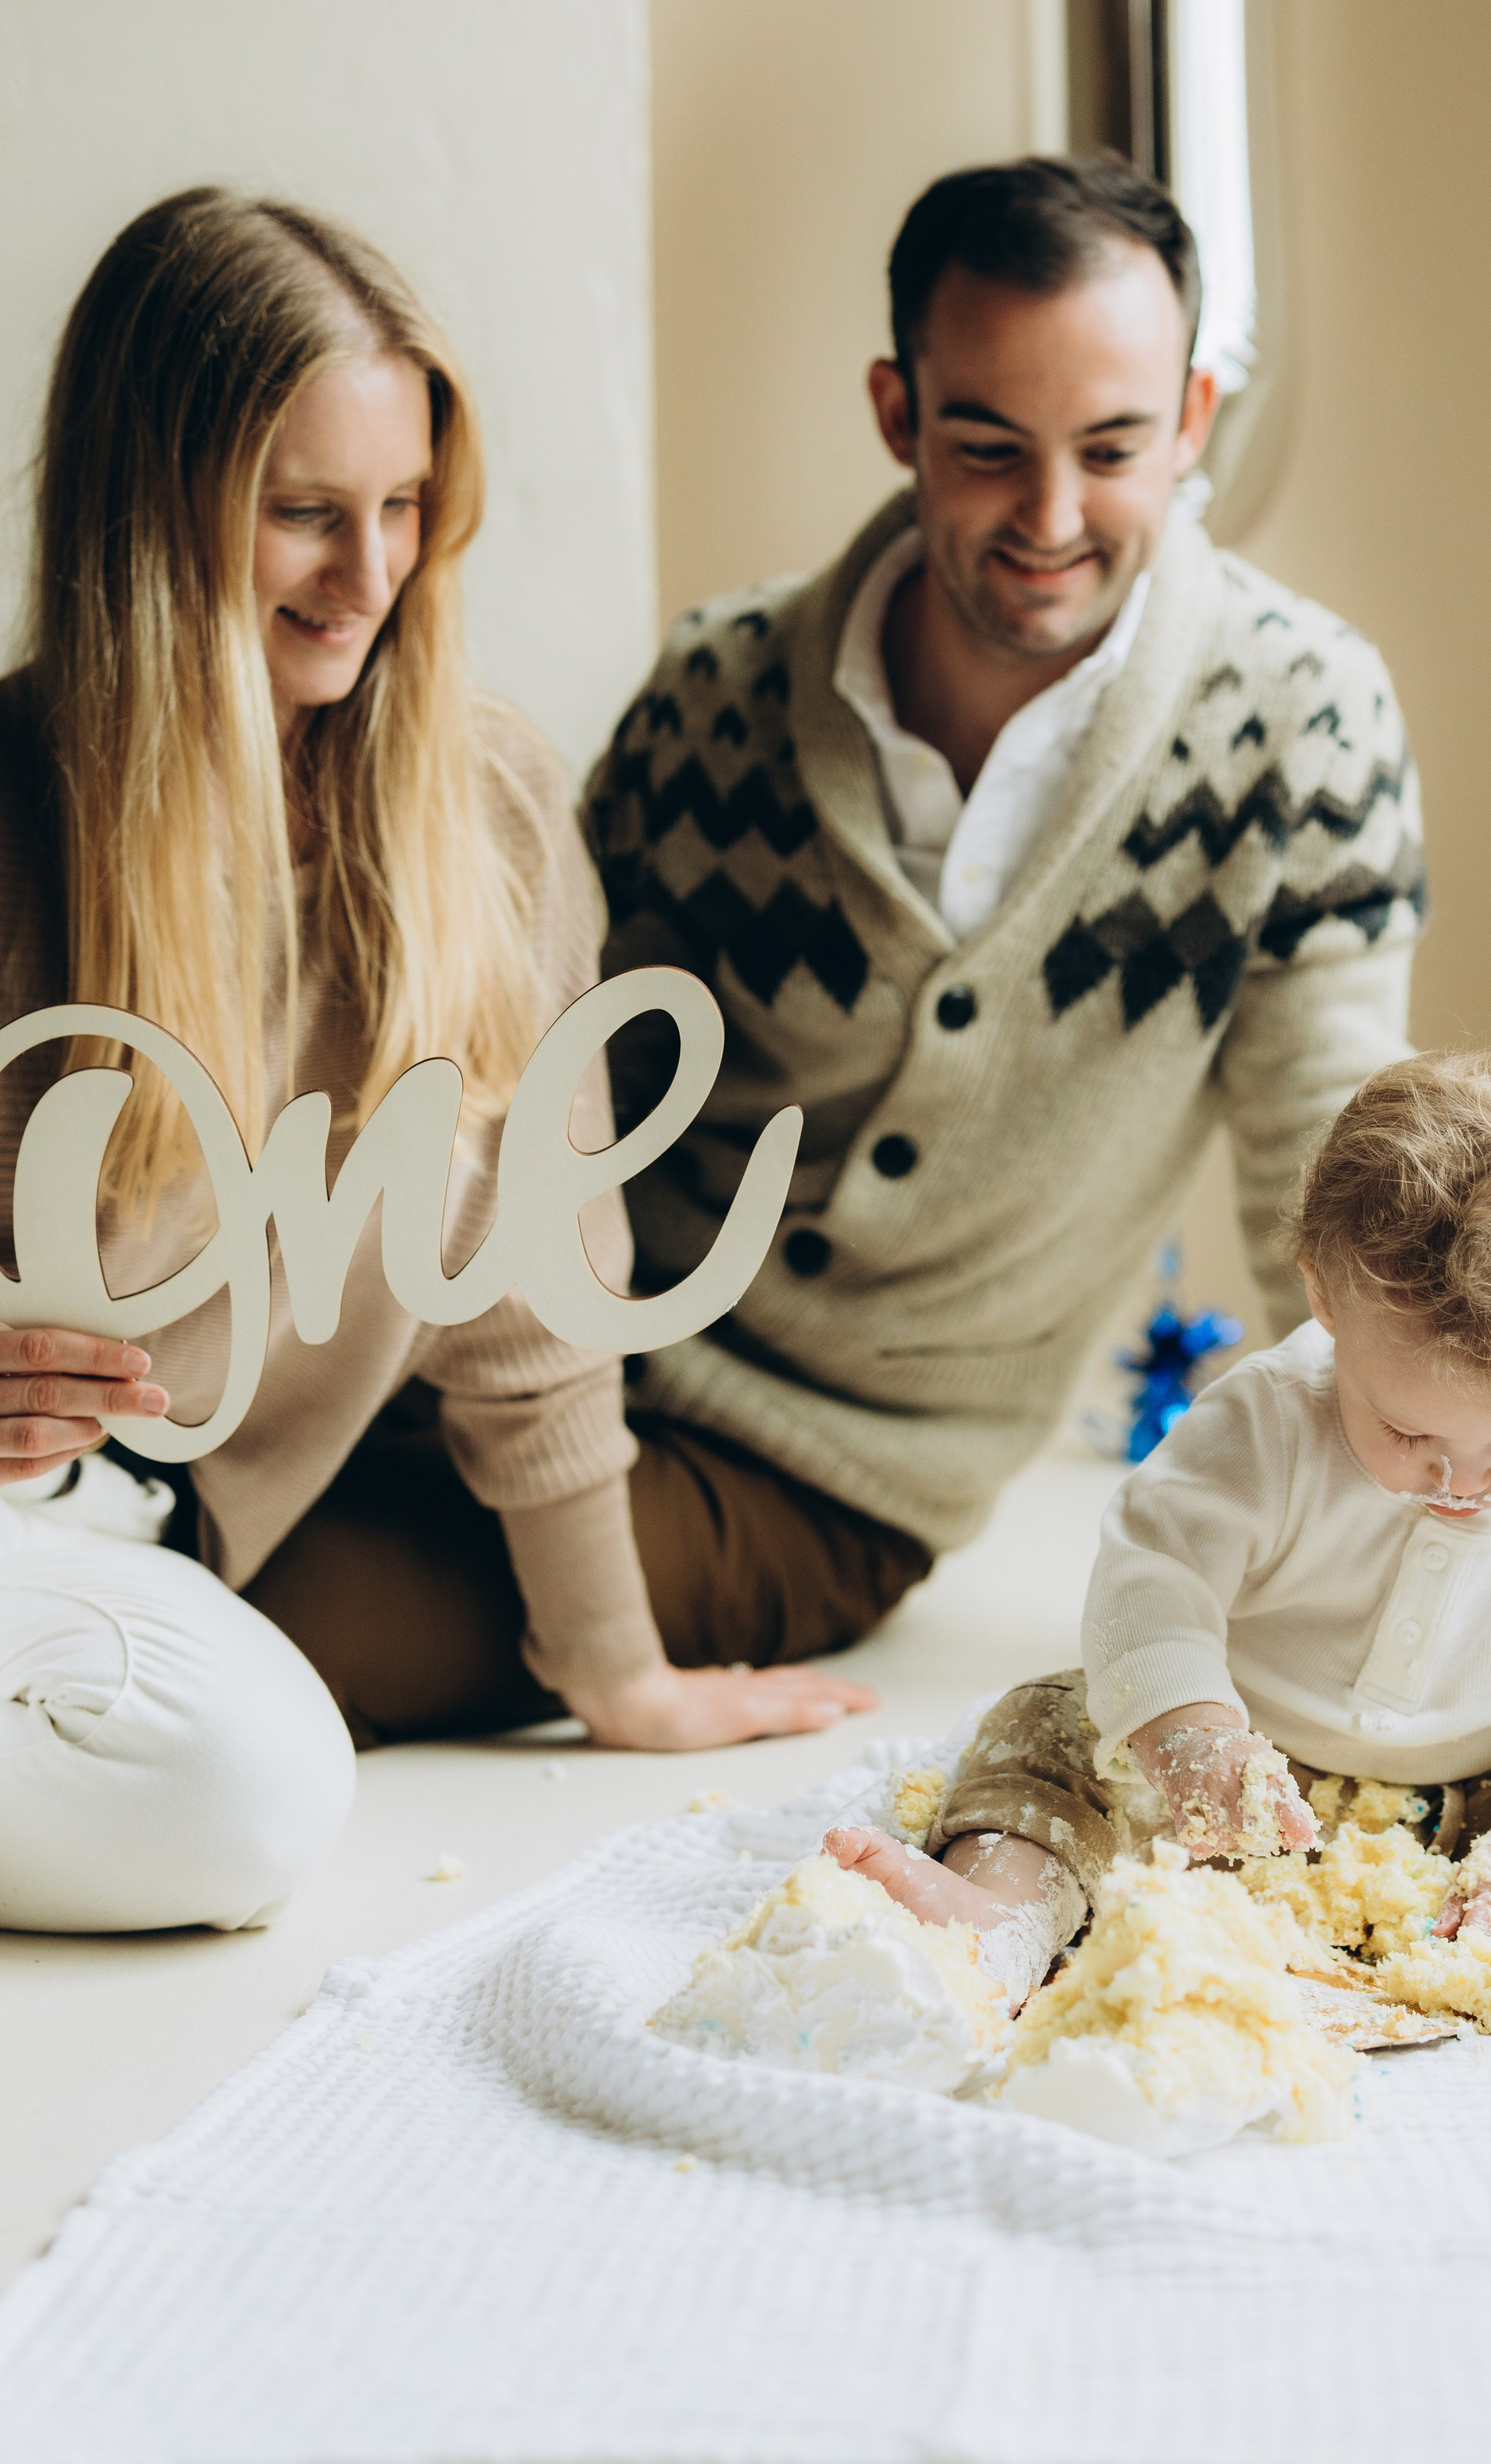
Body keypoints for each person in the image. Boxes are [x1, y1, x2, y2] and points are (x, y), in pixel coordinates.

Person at [1, 189, 868, 1935]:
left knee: (247, 1801)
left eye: (405, 510)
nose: (371, 574)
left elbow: (534, 1306)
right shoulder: (20, 814)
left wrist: (618, 1674)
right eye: (306, 515)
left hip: (108, 1562)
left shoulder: (482, 814)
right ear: (150, 511)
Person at [581, 154, 1427, 1671]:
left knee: (331, 1613)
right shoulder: (713, 692)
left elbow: (1333, 1186)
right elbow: (552, 1087)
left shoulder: (1301, 717)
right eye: (985, 447)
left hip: (824, 1486)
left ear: (1190, 421)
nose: (1049, 517)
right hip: (540, 1362)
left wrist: (1477, 1564)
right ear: (896, 413)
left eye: (1110, 449)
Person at [828, 1051, 1491, 2026]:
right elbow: (1155, 1581)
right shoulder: (1261, 1422)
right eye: (1407, 1431)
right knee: (1047, 1731)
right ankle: (1000, 1919)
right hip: (1251, 1781)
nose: (1461, 1479)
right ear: (1323, 1299)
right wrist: (1194, 1738)